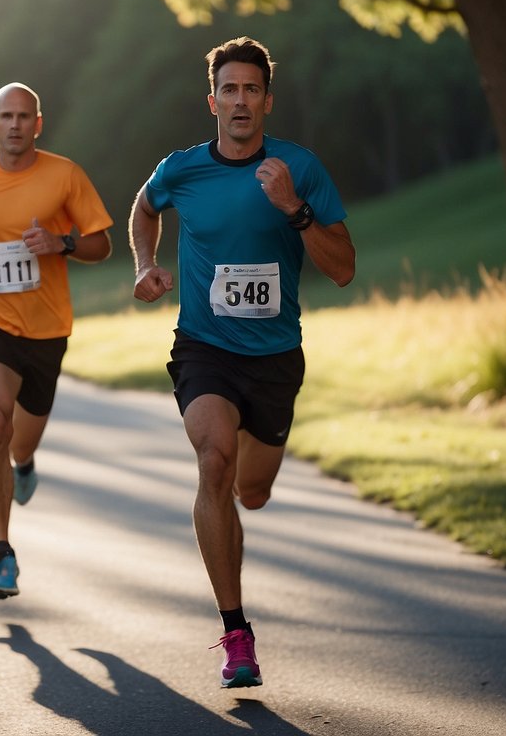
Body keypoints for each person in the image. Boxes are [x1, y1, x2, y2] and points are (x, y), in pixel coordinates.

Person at [129, 37, 355, 688]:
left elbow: (341, 270)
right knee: (213, 461)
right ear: (212, 101)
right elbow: (144, 207)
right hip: (203, 347)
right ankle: (236, 634)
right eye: (227, 89)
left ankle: (226, 508)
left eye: (250, 90)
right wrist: (145, 265)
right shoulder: (181, 169)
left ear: (266, 102)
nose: (238, 101)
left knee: (249, 492)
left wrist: (294, 208)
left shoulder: (298, 169)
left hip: (276, 358)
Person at [0, 82, 114, 600]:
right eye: (5, 116)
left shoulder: (64, 175)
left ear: (38, 123)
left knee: (20, 441)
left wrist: (62, 243)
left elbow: (102, 242)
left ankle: (24, 463)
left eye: (23, 116)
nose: (14, 125)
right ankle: (2, 554)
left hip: (47, 330)